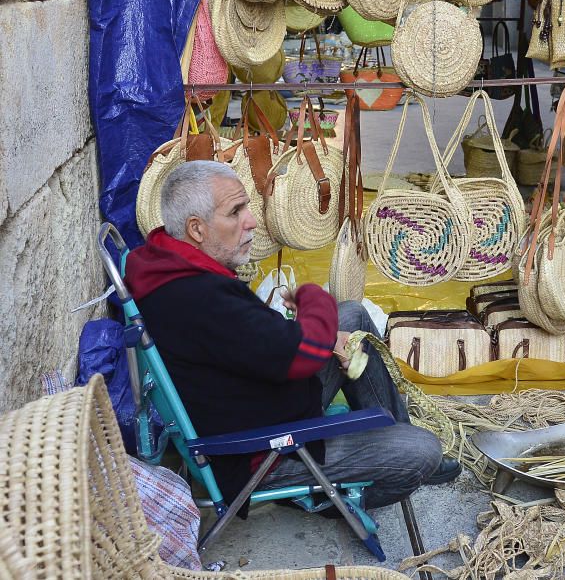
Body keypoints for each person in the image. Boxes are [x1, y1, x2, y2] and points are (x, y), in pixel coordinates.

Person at [124, 160, 459, 516]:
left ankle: (388, 425)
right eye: (235, 212)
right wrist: (312, 297)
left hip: (261, 399)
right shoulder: (201, 296)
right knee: (421, 449)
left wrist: (324, 333)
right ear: (196, 229)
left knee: (352, 316)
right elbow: (304, 353)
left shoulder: (161, 260)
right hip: (261, 452)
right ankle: (325, 495)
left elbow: (255, 338)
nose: (251, 221)